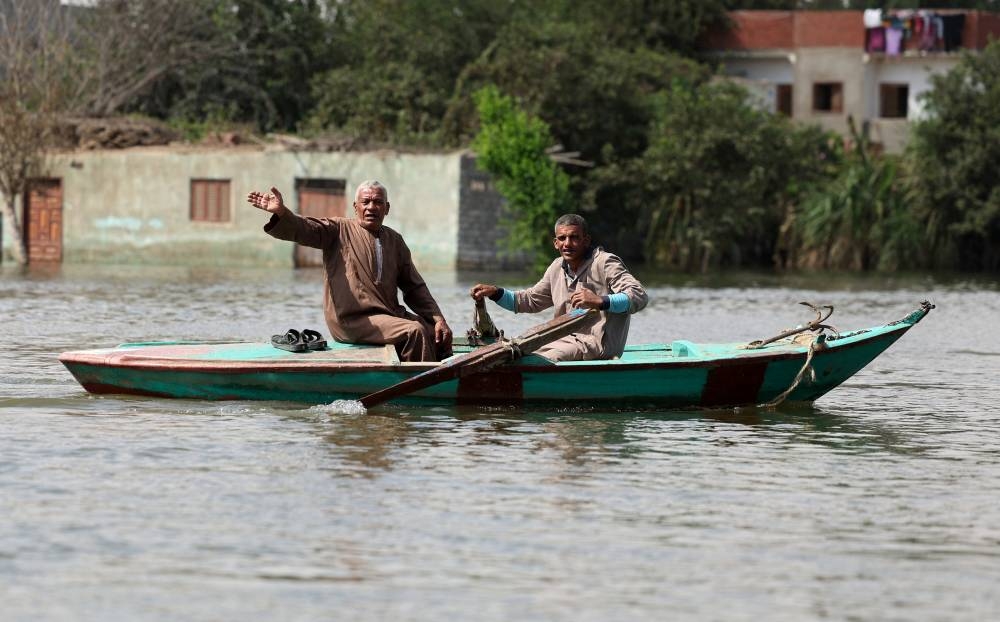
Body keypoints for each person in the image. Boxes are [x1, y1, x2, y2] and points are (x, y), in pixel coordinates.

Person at [247, 180, 453, 362]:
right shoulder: (337, 229)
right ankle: (421, 388)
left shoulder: (395, 240)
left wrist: (438, 319)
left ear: (387, 208)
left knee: (434, 331)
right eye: (366, 202)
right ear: (356, 207)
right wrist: (282, 213)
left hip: (389, 315)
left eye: (378, 202)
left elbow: (414, 287)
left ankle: (447, 379)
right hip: (351, 320)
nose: (371, 207)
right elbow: (305, 228)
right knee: (414, 331)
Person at [470, 214, 647, 362]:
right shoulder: (557, 267)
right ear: (555, 243)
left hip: (597, 345)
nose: (567, 243)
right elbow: (529, 301)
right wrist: (495, 293)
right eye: (562, 238)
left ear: (586, 240)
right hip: (562, 339)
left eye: (574, 237)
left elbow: (638, 296)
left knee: (536, 361)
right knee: (514, 353)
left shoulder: (605, 262)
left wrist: (601, 301)